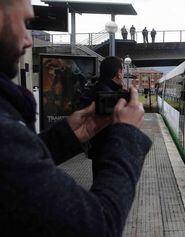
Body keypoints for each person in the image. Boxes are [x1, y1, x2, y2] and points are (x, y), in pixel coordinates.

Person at [0, 1, 152, 236]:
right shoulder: (5, 131)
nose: (28, 39)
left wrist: (66, 136)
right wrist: (127, 137)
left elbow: (18, 170)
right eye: (24, 22)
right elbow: (100, 225)